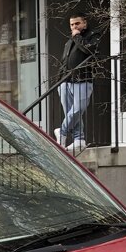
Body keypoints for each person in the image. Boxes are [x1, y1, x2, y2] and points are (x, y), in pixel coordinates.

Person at [55, 14, 99, 152]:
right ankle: (79, 139)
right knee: (71, 112)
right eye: (72, 24)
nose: (74, 26)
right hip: (65, 80)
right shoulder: (70, 40)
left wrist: (78, 37)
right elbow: (65, 60)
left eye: (77, 23)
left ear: (84, 23)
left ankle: (62, 131)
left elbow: (89, 50)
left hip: (82, 79)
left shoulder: (92, 35)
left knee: (78, 108)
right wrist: (59, 79)